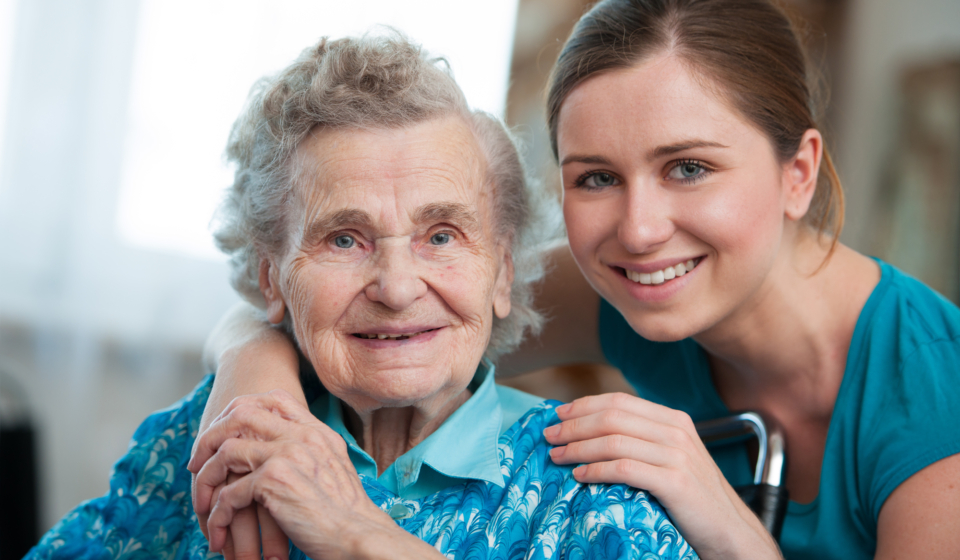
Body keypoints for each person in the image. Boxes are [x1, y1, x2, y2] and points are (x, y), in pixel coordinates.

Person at [195, 1, 960, 559]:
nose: (638, 227)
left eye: (688, 168)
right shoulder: (621, 283)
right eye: (595, 178)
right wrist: (251, 386)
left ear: (798, 174)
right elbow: (355, 313)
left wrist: (721, 516)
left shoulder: (932, 390)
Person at [27, 33, 699, 560]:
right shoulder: (211, 440)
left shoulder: (596, 494)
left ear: (501, 273)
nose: (399, 288)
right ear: (271, 278)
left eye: (441, 235)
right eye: (344, 239)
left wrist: (356, 537)